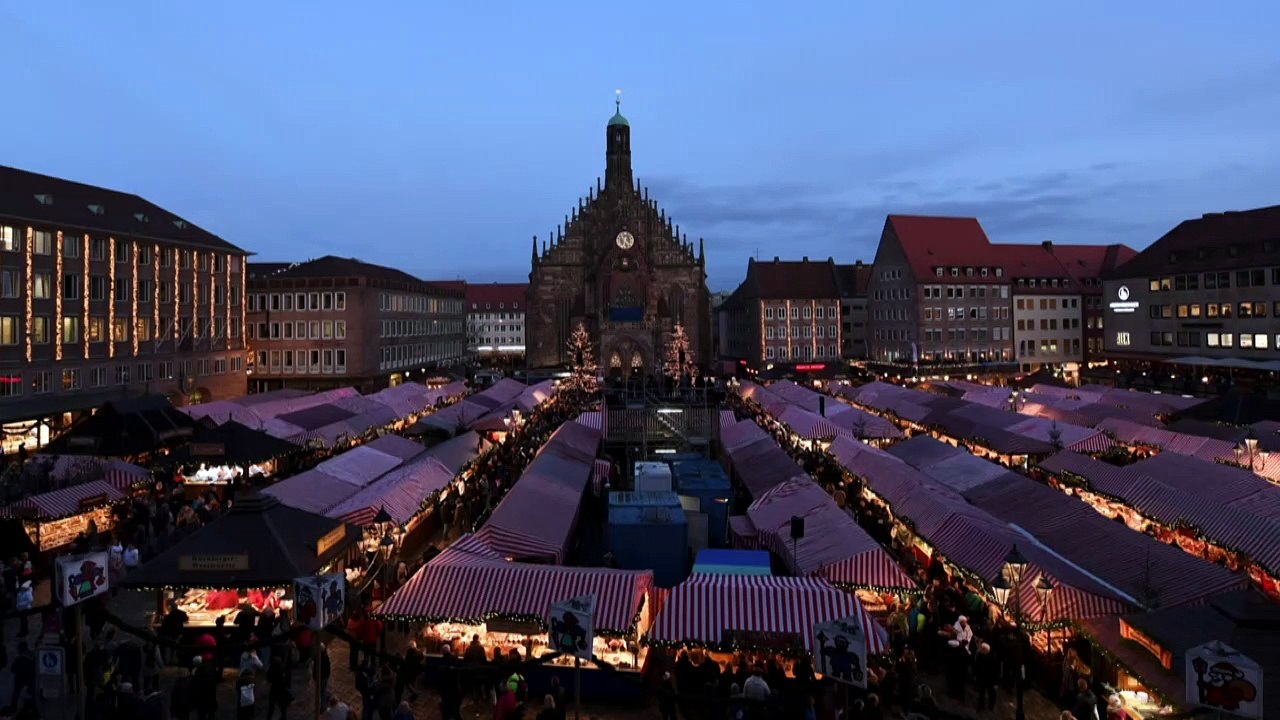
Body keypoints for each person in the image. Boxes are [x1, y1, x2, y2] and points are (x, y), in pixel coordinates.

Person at [8, 642, 36, 711]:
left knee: (16, 692)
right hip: (30, 677)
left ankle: (14, 707)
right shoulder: (32, 656)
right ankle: (29, 706)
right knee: (30, 692)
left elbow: (12, 669)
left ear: (20, 650)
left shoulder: (18, 659)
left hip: (19, 677)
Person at [266, 656, 293, 720]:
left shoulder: (272, 668)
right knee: (282, 705)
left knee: (272, 706)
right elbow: (288, 677)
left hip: (275, 688)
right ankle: (283, 717)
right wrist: (288, 685)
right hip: (282, 689)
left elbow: (269, 679)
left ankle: (269, 718)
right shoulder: (283, 667)